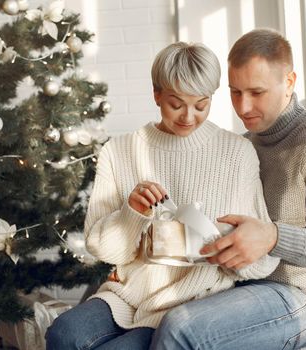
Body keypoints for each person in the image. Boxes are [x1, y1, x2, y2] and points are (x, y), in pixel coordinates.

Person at [45, 41, 279, 350]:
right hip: (129, 294)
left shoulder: (237, 152)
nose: (189, 116)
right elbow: (102, 249)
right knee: (62, 334)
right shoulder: (119, 151)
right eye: (176, 103)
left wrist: (224, 246)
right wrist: (132, 213)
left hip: (197, 300)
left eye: (201, 103)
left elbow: (261, 261)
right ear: (157, 94)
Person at [150, 28, 306, 349]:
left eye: (257, 92)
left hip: (303, 297)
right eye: (235, 92)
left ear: (289, 82)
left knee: (180, 328)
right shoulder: (243, 145)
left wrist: (273, 237)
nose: (243, 106)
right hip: (237, 282)